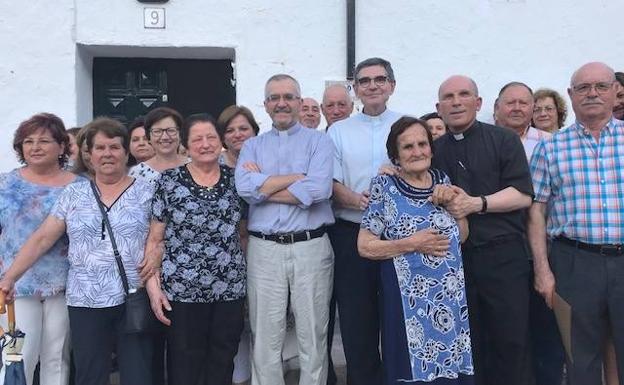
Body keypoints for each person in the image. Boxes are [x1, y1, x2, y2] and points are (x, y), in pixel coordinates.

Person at [0, 117, 155, 385]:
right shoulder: (75, 193)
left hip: (133, 296)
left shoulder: (147, 191)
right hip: (85, 299)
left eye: (115, 147)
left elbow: (158, 237)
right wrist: (9, 276)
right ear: (89, 155)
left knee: (137, 374)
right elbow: (43, 238)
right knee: (89, 374)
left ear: (126, 152)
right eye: (100, 148)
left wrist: (156, 260)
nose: (107, 154)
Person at [432, 75, 534, 385]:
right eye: (448, 97)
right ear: (439, 108)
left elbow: (523, 194)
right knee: (467, 343)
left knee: (511, 341)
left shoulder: (504, 140)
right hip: (456, 262)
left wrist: (476, 204)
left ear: (478, 103)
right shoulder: (434, 149)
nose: (456, 101)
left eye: (464, 94)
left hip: (503, 256)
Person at [357, 116, 474, 384]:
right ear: (395, 155)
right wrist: (413, 243)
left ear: (432, 149)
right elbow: (364, 246)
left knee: (449, 366)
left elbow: (462, 237)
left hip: (449, 299)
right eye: (408, 147)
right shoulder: (384, 187)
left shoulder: (443, 182)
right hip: (407, 301)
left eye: (423, 144)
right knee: (411, 369)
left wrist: (457, 207)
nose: (417, 151)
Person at [528, 62, 624, 385]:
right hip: (574, 264)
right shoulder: (549, 147)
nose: (592, 93)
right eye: (583, 88)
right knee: (580, 360)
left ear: (615, 92)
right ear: (570, 95)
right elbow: (536, 213)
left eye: (600, 86)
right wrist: (543, 270)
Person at [235, 74, 335, 385]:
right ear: (265, 105)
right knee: (265, 334)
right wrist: (297, 176)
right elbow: (243, 187)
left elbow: (319, 190)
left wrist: (263, 185)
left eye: (288, 97)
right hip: (264, 248)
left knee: (313, 332)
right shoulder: (252, 145)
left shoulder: (320, 141)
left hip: (311, 246)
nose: (281, 103)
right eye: (274, 98)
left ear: (299, 102)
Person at [143, 113, 246, 385]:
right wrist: (153, 290)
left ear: (221, 141)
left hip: (229, 288)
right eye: (197, 139)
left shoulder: (238, 180)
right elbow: (155, 239)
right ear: (185, 146)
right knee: (184, 362)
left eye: (211, 137)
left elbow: (244, 233)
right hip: (182, 289)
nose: (205, 144)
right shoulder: (169, 180)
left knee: (223, 359)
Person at [327, 57, 402, 385]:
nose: (372, 85)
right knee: (358, 322)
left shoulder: (407, 125)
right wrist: (356, 199)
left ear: (391, 86)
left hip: (400, 237)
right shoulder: (338, 131)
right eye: (364, 81)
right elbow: (331, 182)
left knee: (399, 319)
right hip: (351, 234)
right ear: (355, 89)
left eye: (379, 79)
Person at [493, 82, 564, 385]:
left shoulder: (551, 143)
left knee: (546, 323)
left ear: (533, 109)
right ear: (497, 109)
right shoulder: (488, 141)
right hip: (501, 247)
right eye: (510, 103)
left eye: (524, 103)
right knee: (508, 326)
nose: (518, 108)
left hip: (546, 244)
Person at [0, 113, 78, 385]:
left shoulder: (79, 186)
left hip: (64, 286)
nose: (35, 147)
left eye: (44, 140)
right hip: (16, 287)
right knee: (19, 357)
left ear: (61, 146)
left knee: (57, 359)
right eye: (28, 141)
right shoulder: (5, 184)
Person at [129, 107, 188, 184]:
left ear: (180, 134)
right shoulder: (136, 173)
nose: (165, 137)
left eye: (171, 130)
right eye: (157, 131)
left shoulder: (196, 166)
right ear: (149, 137)